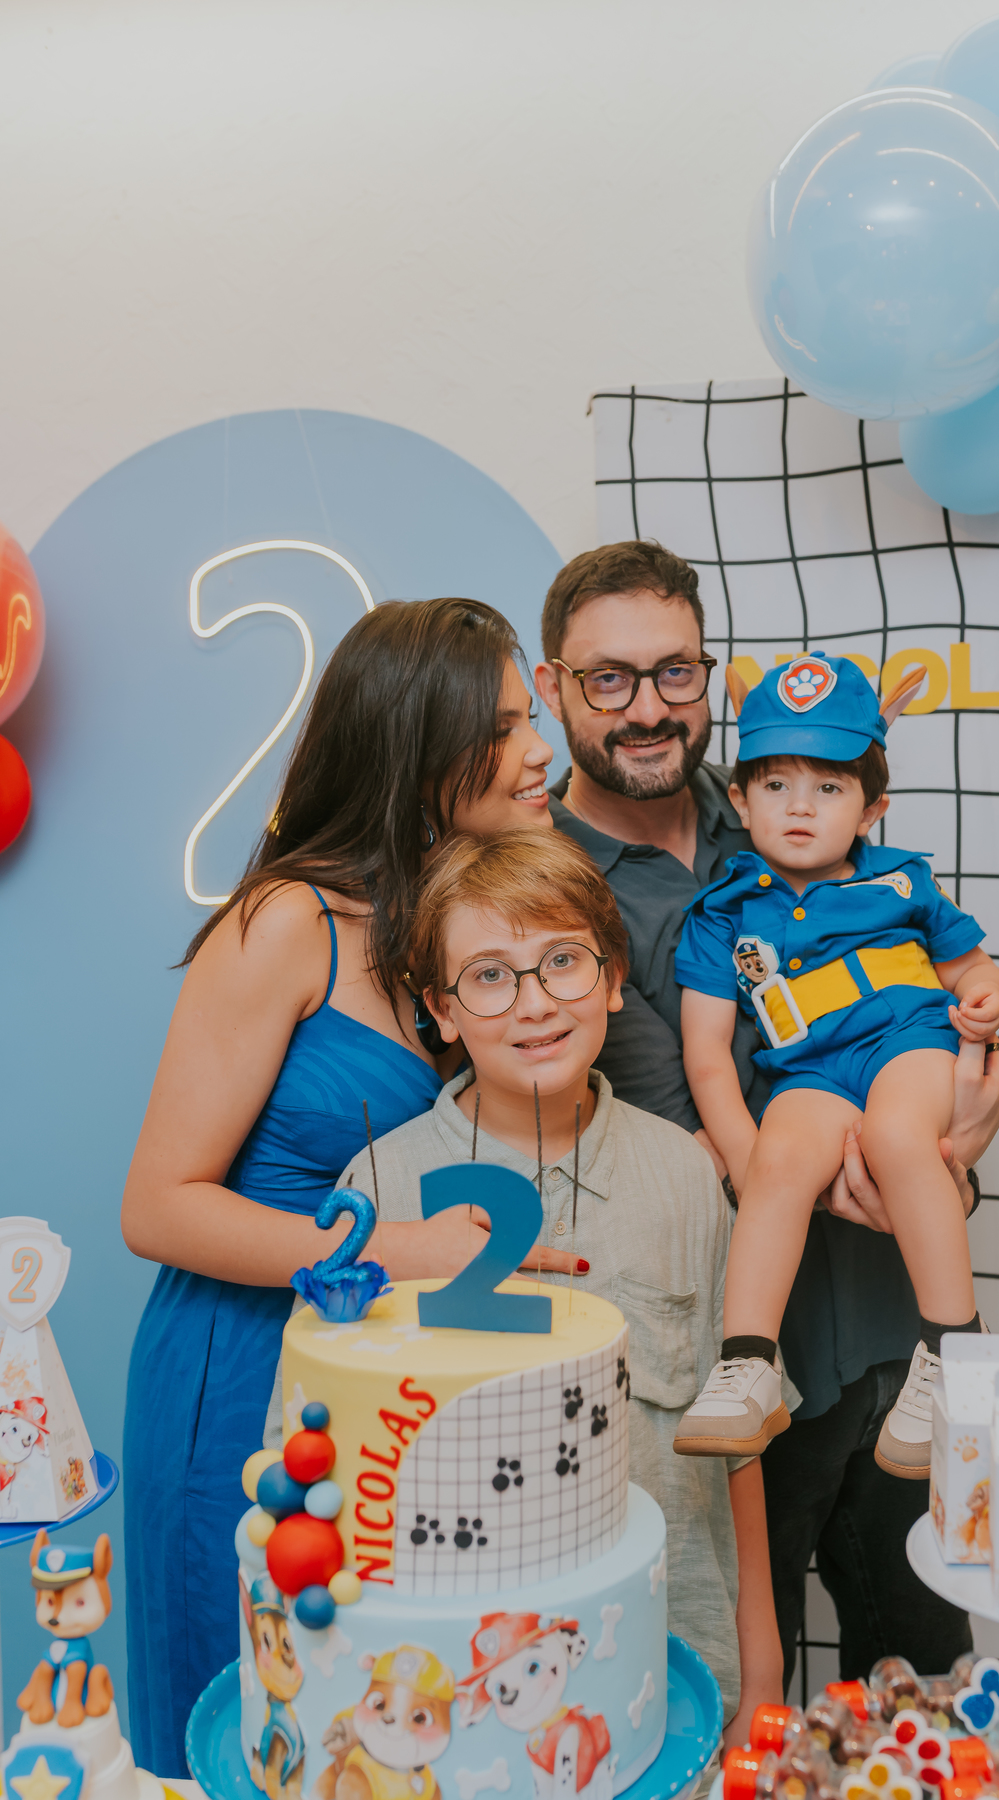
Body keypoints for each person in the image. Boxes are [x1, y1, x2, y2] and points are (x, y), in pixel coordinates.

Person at [534, 540, 999, 1686]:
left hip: (893, 1344)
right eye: (610, 679)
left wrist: (955, 1129)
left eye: (676, 673)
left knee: (921, 1696)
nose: (649, 708)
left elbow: (939, 1008)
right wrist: (900, 1169)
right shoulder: (545, 885)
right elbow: (674, 1132)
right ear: (552, 687)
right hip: (732, 1371)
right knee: (751, 1700)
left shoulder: (784, 790)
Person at [120, 598, 579, 1775]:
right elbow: (158, 1206)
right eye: (513, 725)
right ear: (422, 742)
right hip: (238, 1371)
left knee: (370, 1728)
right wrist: (390, 1254)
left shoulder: (447, 921)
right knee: (241, 1719)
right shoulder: (285, 920)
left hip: (375, 1380)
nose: (543, 751)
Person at [269, 826, 787, 1746]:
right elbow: (310, 1458)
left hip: (671, 1665)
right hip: (449, 1702)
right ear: (441, 1008)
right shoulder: (376, 1192)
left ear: (615, 977)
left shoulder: (685, 1177)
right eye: (490, 975)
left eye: (563, 962)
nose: (535, 1002)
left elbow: (737, 1443)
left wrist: (763, 1661)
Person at [671, 654, 999, 1473]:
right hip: (812, 1070)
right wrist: (751, 1167)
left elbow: (971, 967)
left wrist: (986, 997)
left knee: (900, 1137)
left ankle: (954, 1352)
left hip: (908, 1043)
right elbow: (708, 1052)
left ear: (870, 809)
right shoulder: (723, 913)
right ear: (739, 798)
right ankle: (748, 1360)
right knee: (781, 1155)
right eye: (777, 785)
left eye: (828, 788)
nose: (799, 808)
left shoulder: (902, 884)